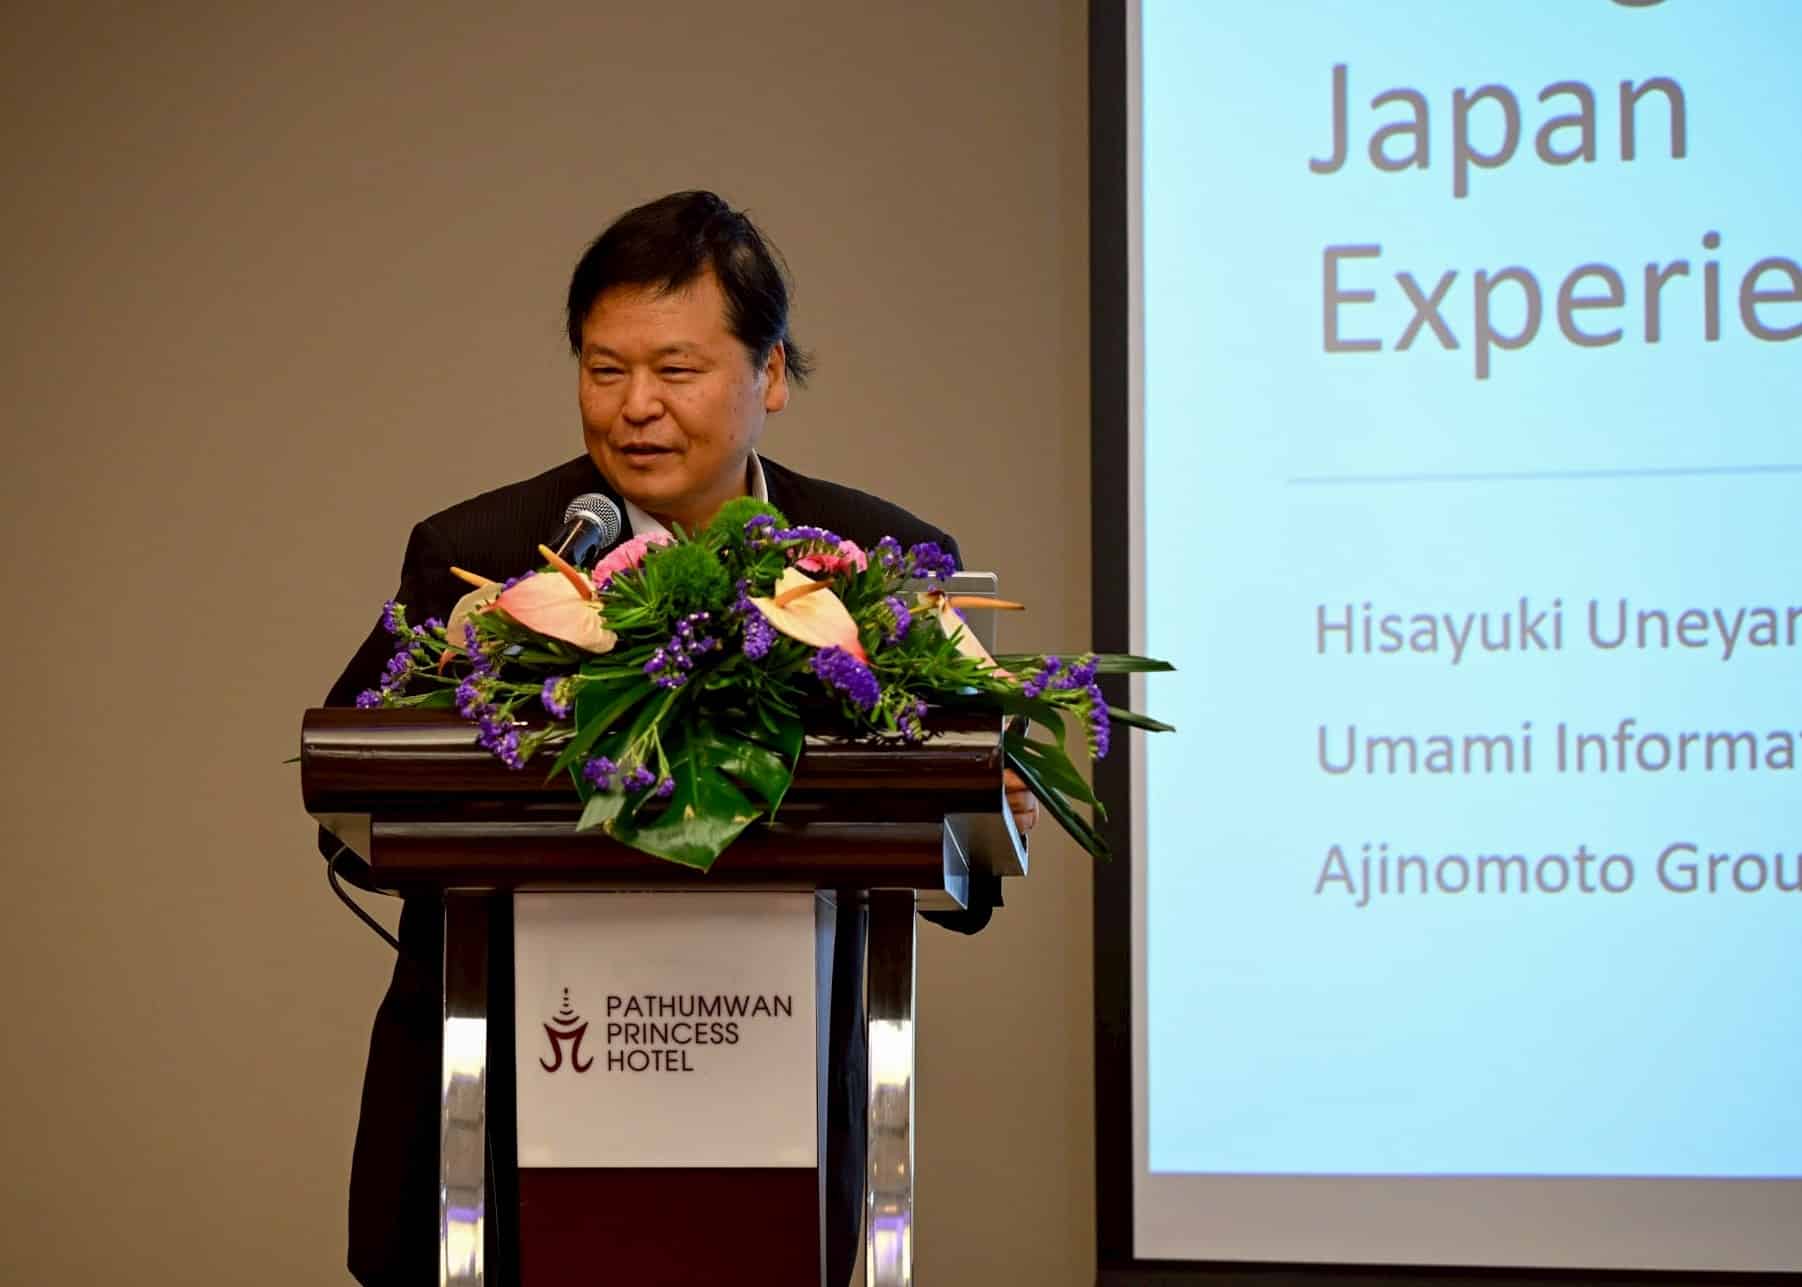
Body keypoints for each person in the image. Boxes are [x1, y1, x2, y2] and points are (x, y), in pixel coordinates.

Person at [323, 189, 1037, 1286]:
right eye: (604, 369)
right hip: (492, 1119)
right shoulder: (483, 553)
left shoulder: (880, 560)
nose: (635, 407)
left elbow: (963, 865)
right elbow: (354, 794)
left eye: (675, 369)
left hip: (770, 1124)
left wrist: (987, 795)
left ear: (771, 374)